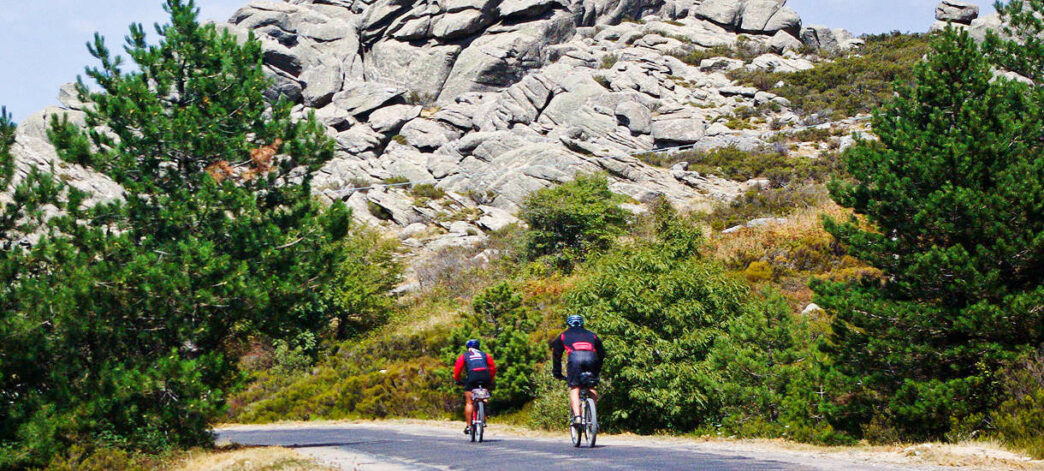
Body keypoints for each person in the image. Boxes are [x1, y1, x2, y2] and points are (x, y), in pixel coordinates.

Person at [550, 314, 605, 427]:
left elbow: (556, 355)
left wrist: (557, 373)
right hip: (591, 357)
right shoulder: (592, 335)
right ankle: (593, 417)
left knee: (575, 387)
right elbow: (602, 353)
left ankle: (578, 417)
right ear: (582, 323)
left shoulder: (563, 335)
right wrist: (597, 370)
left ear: (568, 324)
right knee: (591, 387)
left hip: (575, 358)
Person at [453, 339, 496, 434]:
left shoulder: (465, 356)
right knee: (484, 397)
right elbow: (492, 368)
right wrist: (490, 379)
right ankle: (483, 418)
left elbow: (458, 369)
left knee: (469, 402)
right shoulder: (485, 355)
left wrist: (457, 379)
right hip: (485, 376)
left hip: (472, 376)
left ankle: (469, 426)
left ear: (468, 347)